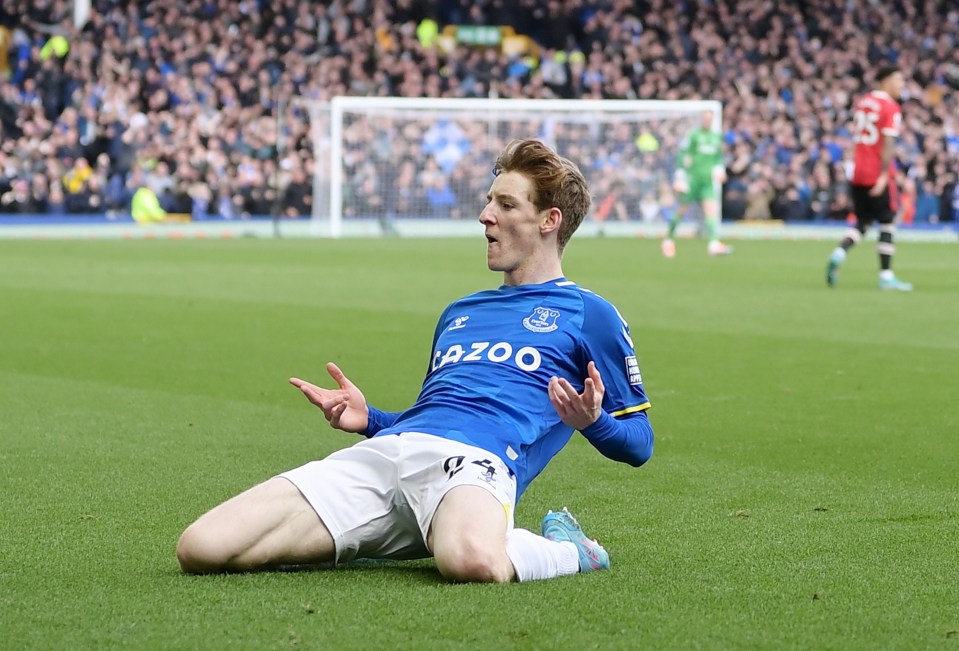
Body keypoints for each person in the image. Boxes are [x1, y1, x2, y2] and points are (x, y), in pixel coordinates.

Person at [176, 139, 655, 583]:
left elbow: (640, 445)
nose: (485, 215)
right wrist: (370, 420)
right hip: (391, 452)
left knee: (470, 561)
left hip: (477, 465)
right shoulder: (459, 312)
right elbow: (437, 416)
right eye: (490, 201)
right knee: (202, 547)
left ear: (549, 221)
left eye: (506, 204)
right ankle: (390, 530)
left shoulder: (590, 314)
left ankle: (570, 550)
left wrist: (592, 423)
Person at [826, 65, 912, 291]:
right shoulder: (890, 107)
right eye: (898, 80)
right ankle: (886, 275)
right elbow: (888, 143)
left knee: (863, 221)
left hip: (858, 170)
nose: (902, 85)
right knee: (887, 222)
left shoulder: (863, 102)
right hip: (876, 172)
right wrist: (884, 175)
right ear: (885, 81)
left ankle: (839, 251)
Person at [661, 110, 733, 257]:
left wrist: (720, 170)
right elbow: (683, 155)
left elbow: (718, 157)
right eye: (705, 118)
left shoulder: (716, 137)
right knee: (681, 210)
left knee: (710, 211)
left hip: (707, 181)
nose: (707, 121)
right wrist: (680, 177)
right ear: (701, 119)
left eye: (710, 119)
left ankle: (713, 244)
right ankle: (668, 239)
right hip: (693, 179)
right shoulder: (694, 135)